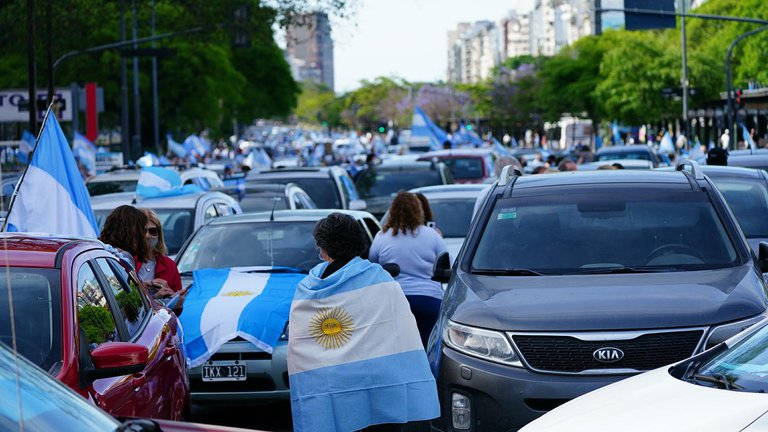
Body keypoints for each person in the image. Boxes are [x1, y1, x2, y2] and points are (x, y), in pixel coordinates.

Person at [288, 213, 439, 432]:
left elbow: (301, 342)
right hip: (381, 382)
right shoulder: (381, 279)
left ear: (324, 248)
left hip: (333, 384)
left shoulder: (308, 289)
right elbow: (401, 330)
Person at [369, 192, 447, 348]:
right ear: (418, 211)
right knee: (428, 347)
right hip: (429, 299)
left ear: (392, 211)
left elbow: (372, 265)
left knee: (398, 348)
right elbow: (446, 263)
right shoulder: (432, 235)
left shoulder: (382, 236)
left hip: (394, 301)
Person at [136, 208, 183, 302]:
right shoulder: (126, 261)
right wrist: (155, 299)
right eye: (143, 231)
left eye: (152, 231)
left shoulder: (169, 265)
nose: (147, 236)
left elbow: (176, 310)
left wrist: (176, 301)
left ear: (159, 234)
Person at [98, 205, 151, 271]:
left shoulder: (98, 248)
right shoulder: (123, 257)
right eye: (143, 230)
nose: (146, 235)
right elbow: (127, 281)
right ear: (133, 231)